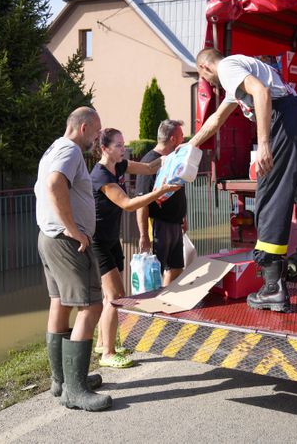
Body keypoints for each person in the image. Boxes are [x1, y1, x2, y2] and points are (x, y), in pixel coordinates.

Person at [192, 48, 297, 313]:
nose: (209, 84)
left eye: (205, 78)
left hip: (283, 121)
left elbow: (261, 93)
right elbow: (216, 120)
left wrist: (264, 142)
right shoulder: (242, 69)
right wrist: (189, 148)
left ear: (205, 68)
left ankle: (273, 289)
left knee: (271, 198)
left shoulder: (228, 68)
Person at [34, 106, 111, 411]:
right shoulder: (71, 151)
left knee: (59, 302)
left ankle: (62, 380)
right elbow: (53, 186)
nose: (97, 138)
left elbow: (41, 188)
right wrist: (74, 230)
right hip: (66, 242)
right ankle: (75, 391)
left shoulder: (52, 148)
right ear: (83, 128)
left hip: (48, 238)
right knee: (91, 305)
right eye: (96, 131)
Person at [91, 127, 181, 368]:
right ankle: (108, 354)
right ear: (104, 149)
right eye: (118, 146)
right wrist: (159, 191)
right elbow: (129, 204)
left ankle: (102, 341)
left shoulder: (119, 165)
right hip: (98, 242)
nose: (124, 149)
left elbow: (150, 167)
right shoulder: (100, 176)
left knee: (109, 295)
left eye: (123, 144)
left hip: (112, 239)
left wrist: (175, 155)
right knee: (115, 297)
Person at [136, 119, 188, 286]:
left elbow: (177, 190)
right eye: (181, 135)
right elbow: (141, 202)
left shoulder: (172, 159)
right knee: (155, 272)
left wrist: (182, 217)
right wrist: (144, 235)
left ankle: (166, 301)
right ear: (172, 139)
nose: (184, 138)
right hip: (159, 226)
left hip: (174, 224)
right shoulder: (149, 163)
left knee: (176, 268)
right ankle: (154, 304)